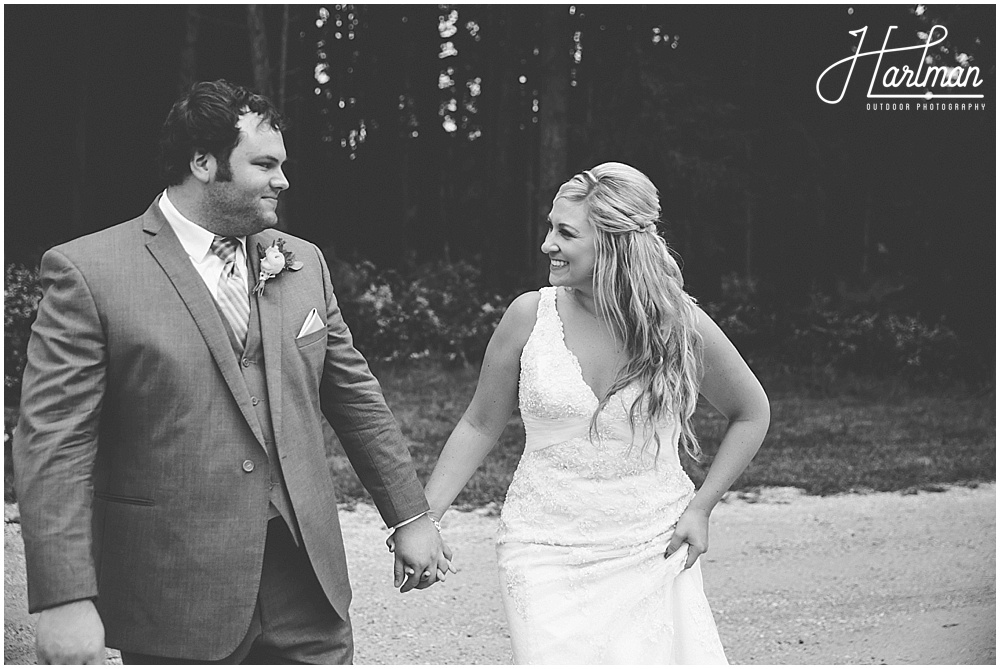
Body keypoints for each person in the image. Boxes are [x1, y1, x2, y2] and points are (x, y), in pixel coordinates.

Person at [13, 79, 451, 665]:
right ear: (202, 161)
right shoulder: (89, 272)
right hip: (179, 586)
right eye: (264, 163)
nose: (283, 180)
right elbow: (53, 443)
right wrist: (65, 596)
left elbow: (355, 399)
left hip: (307, 584)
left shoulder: (301, 262)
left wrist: (411, 516)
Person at [422, 162, 770, 663]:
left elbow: (751, 412)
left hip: (654, 545)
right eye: (550, 227)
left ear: (613, 243)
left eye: (565, 232)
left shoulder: (676, 324)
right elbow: (480, 423)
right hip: (541, 548)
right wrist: (424, 519)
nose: (547, 244)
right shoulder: (528, 316)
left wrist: (701, 507)